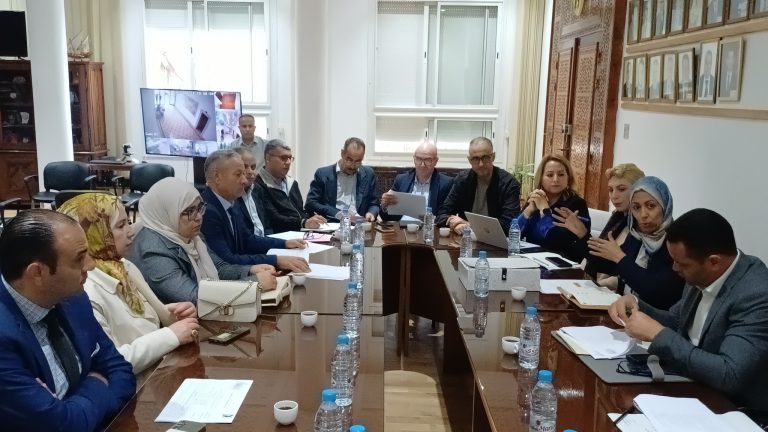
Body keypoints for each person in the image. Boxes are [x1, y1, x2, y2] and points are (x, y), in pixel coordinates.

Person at [608, 209, 768, 413]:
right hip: (689, 384)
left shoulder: (756, 294)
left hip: (733, 408)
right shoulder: (700, 274)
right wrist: (636, 305)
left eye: (681, 263)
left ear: (714, 262)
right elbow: (677, 321)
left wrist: (657, 335)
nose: (675, 268)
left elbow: (729, 375)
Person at [0, 210, 135, 431]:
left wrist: (73, 409)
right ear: (37, 273)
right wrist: (97, 381)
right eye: (79, 258)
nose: (90, 265)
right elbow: (64, 426)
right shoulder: (4, 338)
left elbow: (120, 371)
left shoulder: (74, 298)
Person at [57, 193, 200, 374]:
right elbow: (109, 363)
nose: (131, 232)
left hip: (159, 369)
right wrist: (170, 335)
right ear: (93, 234)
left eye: (128, 223)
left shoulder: (123, 266)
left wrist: (173, 314)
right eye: (121, 226)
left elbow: (140, 320)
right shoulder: (84, 288)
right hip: (136, 383)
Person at [129, 177, 279, 304]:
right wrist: (254, 283)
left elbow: (218, 268)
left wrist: (250, 270)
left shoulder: (189, 234)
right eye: (189, 211)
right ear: (167, 212)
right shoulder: (153, 252)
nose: (199, 217)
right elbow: (194, 297)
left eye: (199, 207)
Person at [200, 150, 310, 271]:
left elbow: (248, 240)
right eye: (238, 174)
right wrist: (276, 260)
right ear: (217, 177)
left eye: (244, 174)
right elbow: (226, 260)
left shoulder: (231, 202)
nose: (244, 180)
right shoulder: (206, 211)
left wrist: (284, 243)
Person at [587, 176, 684, 309]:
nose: (643, 214)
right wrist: (582, 236)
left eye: (651, 206)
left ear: (665, 206)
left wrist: (619, 257)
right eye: (636, 207)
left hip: (653, 317)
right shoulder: (636, 235)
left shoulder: (675, 242)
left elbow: (654, 291)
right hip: (624, 309)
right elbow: (612, 266)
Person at [553, 163, 645, 288]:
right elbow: (601, 260)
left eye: (622, 189)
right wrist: (582, 234)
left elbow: (617, 269)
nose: (614, 196)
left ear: (639, 190)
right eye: (611, 190)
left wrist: (584, 235)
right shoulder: (618, 217)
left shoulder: (642, 226)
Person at [436, 137, 521, 234]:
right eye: (475, 159)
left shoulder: (509, 184)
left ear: (493, 157)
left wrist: (468, 224)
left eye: (485, 158)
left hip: (496, 241)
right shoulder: (463, 180)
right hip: (466, 239)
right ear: (469, 160)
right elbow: (442, 214)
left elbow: (509, 225)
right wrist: (453, 222)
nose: (481, 164)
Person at [516, 154, 590, 258]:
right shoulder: (536, 197)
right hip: (531, 258)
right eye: (550, 175)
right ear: (541, 178)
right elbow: (513, 235)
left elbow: (555, 241)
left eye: (561, 174)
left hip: (561, 263)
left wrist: (545, 211)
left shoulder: (577, 203)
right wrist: (527, 211)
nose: (555, 179)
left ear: (568, 178)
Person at [254, 139, 327, 232]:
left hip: (300, 231)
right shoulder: (258, 184)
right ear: (268, 158)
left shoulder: (292, 183)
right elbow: (272, 218)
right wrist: (303, 222)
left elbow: (299, 211)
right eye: (283, 158)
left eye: (290, 158)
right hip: (279, 235)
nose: (288, 162)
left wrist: (312, 218)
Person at [306, 137, 380, 222]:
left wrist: (371, 213)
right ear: (342, 153)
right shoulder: (323, 174)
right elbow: (311, 203)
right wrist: (337, 213)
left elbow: (374, 204)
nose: (352, 166)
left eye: (358, 161)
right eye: (349, 160)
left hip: (359, 224)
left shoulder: (368, 174)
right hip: (332, 222)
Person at [380, 141, 454, 221]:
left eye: (427, 160)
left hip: (429, 227)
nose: (422, 165)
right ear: (414, 159)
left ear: (436, 161)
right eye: (418, 159)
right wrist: (385, 206)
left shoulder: (446, 184)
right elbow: (388, 218)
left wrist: (429, 220)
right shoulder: (401, 180)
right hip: (403, 227)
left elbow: (446, 215)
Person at [232, 146, 271, 236]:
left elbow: (267, 225)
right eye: (245, 167)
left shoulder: (258, 189)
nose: (250, 171)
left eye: (253, 167)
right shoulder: (231, 195)